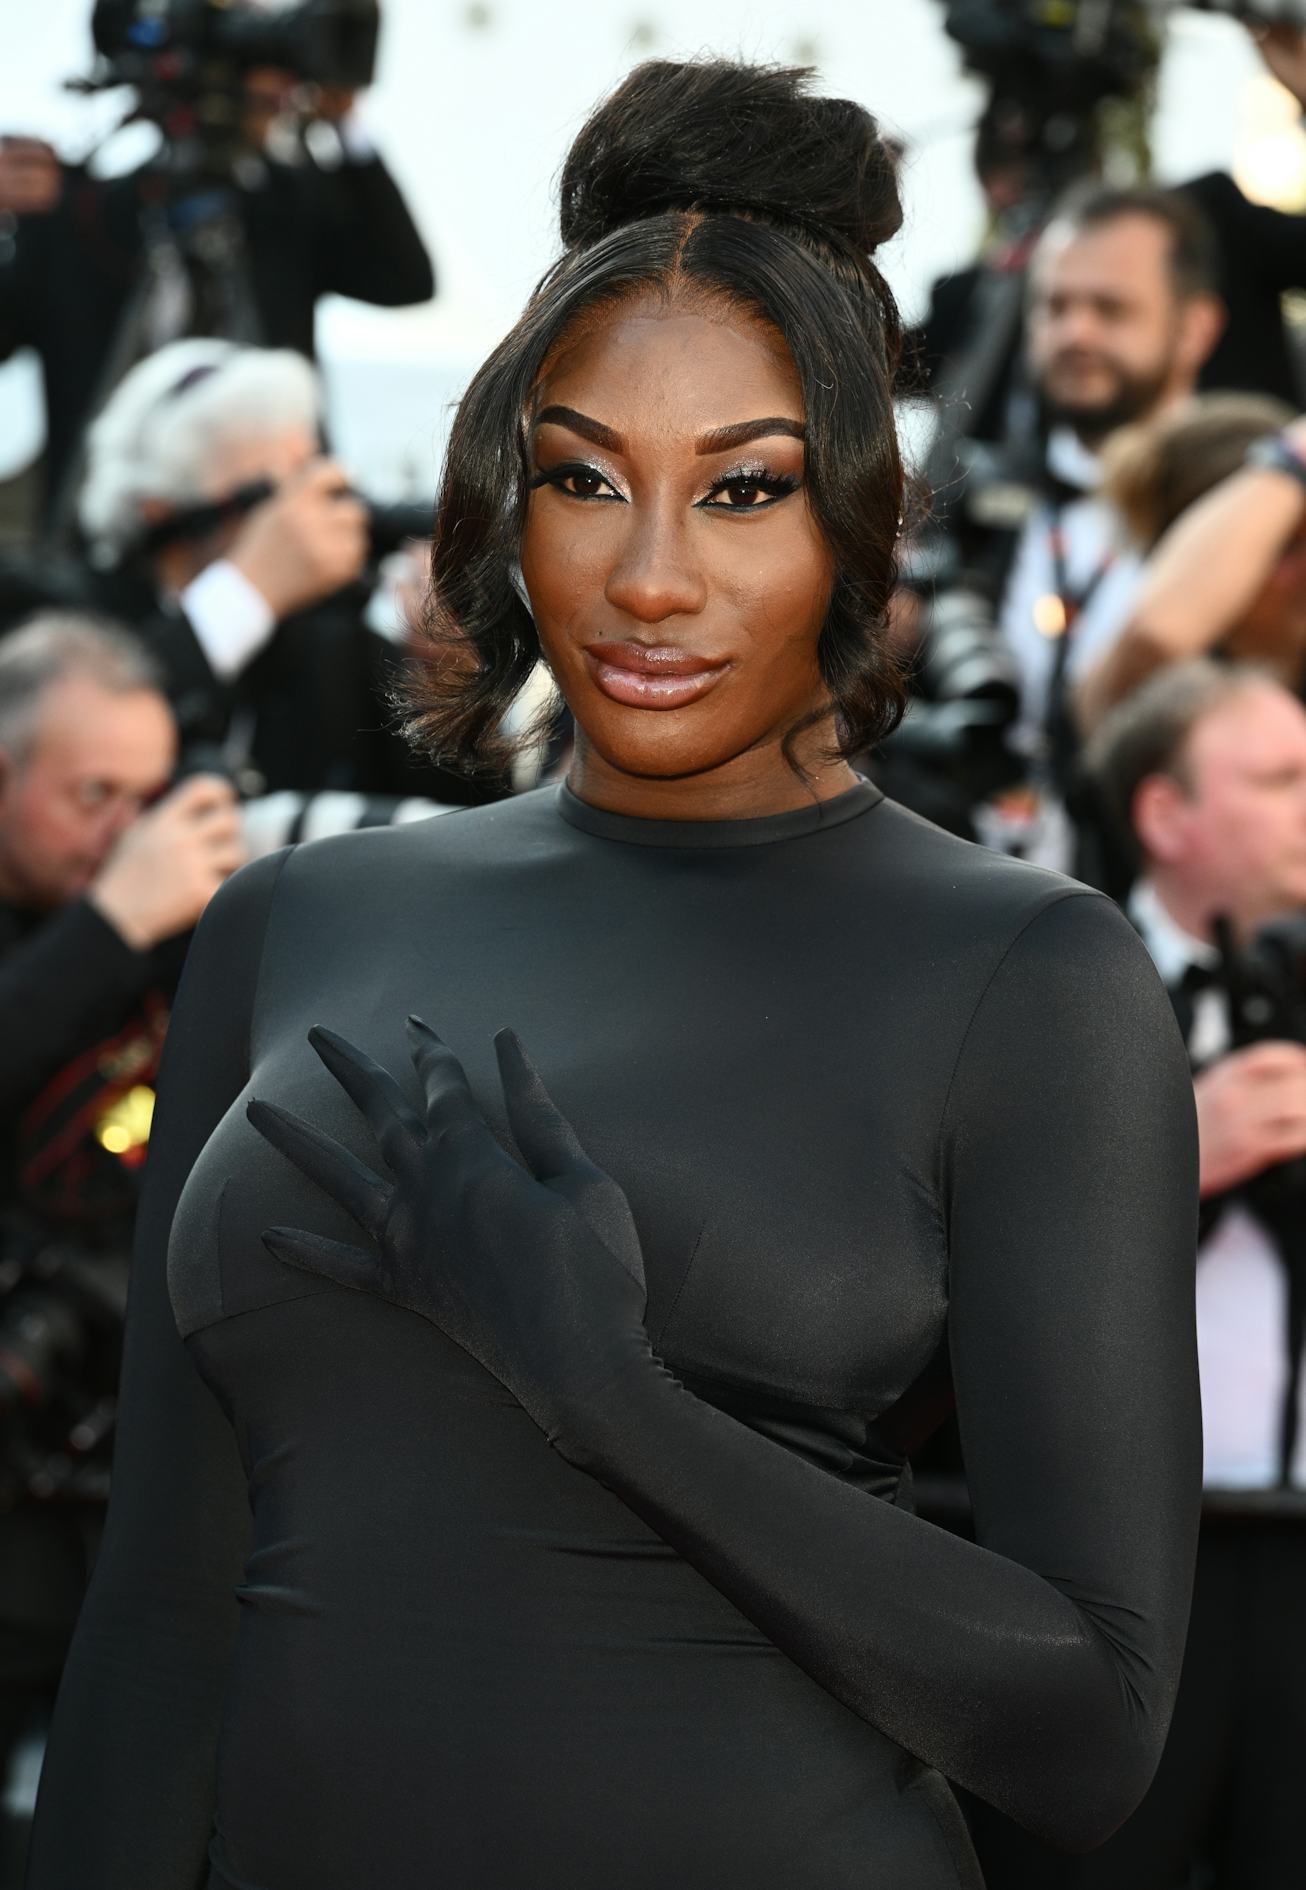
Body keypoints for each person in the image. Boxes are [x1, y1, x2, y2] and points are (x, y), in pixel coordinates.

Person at [25, 61, 1200, 1890]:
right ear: (504, 499)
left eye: (741, 489)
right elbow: (158, 1623)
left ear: (856, 515)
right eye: (584, 477)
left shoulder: (1028, 975)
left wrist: (609, 1391)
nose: (650, 576)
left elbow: (1087, 1735)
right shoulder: (294, 920)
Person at [971, 661, 1306, 1890]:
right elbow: (943, 1263)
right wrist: (1172, 1161)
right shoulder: (1032, 990)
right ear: (1166, 814)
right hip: (1104, 1576)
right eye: (1282, 780)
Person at [0, 611, 243, 1875]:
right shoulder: (107, 919)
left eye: (149, 799)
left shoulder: (183, 928)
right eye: (92, 795)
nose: (129, 835)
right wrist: (105, 926)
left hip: (118, 1462)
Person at [0, 61, 434, 523]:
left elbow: (405, 279)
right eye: (259, 65)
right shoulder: (82, 219)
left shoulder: (289, 208)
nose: (279, 85)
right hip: (102, 530)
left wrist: (345, 125)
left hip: (275, 527)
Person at [1075, 405, 1306, 733]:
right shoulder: (1137, 695)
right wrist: (1290, 460)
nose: (1301, 570)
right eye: (1283, 546)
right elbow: (1156, 638)